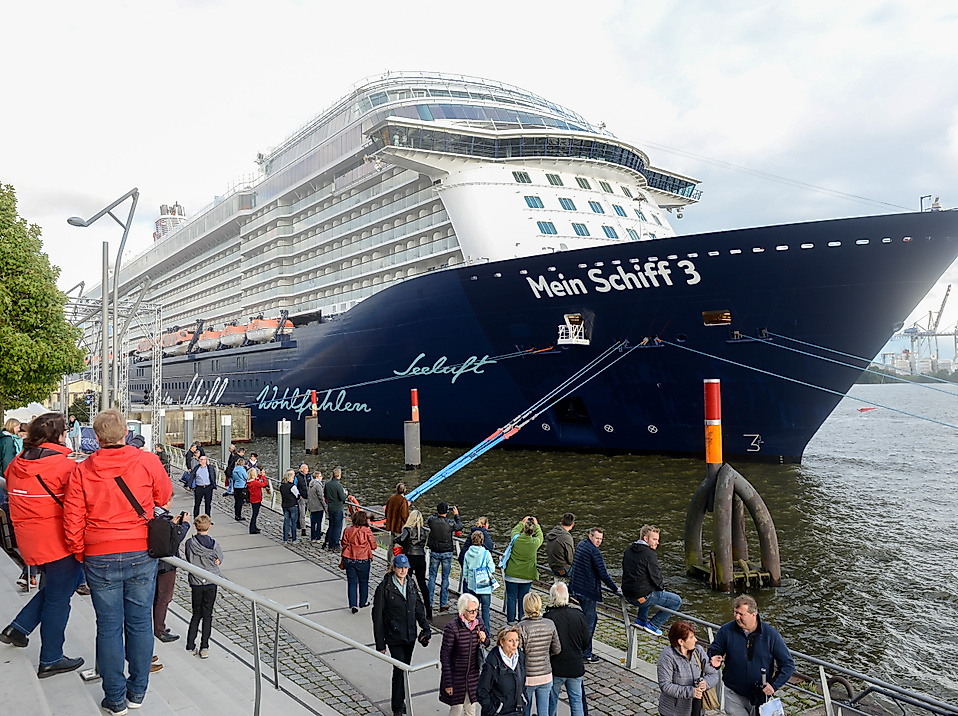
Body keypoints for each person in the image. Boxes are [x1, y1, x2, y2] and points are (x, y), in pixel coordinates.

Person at [63, 408, 173, 715]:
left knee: (108, 626)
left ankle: (114, 697)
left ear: (96, 439)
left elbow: (72, 519)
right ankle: (137, 693)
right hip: (140, 552)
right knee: (139, 624)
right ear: (125, 433)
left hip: (99, 555)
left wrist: (80, 551)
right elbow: (164, 496)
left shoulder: (82, 471)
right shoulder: (148, 461)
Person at [0, 413, 85, 678]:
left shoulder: (16, 464)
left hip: (29, 540)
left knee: (58, 589)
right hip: (60, 541)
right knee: (59, 599)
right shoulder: (65, 468)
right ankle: (51, 657)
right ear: (59, 436)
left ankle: (19, 628)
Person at [707, 595, 795, 716]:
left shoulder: (771, 635)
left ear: (753, 614)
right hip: (733, 692)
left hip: (760, 696)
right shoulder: (726, 631)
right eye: (735, 612)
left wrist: (774, 685)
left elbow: (788, 665)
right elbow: (714, 649)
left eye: (741, 614)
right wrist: (715, 657)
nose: (737, 617)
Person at [373, 553, 431, 716]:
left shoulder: (411, 583)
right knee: (399, 669)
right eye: (401, 567)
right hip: (394, 635)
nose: (404, 570)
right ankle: (397, 705)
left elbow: (419, 607)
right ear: (394, 568)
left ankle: (401, 700)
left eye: (406, 568)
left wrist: (425, 628)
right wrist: (380, 643)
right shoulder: (384, 588)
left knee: (405, 668)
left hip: (410, 634)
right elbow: (377, 616)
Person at [568, 527, 619, 663]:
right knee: (589, 624)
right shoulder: (593, 551)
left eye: (601, 539)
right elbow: (603, 573)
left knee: (590, 620)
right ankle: (586, 654)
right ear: (590, 536)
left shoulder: (581, 545)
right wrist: (615, 588)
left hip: (577, 588)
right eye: (597, 538)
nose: (599, 542)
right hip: (588, 591)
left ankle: (581, 649)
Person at [622, 524, 682, 637]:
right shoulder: (649, 554)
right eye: (654, 539)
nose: (657, 543)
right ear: (645, 538)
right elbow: (656, 576)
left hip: (628, 594)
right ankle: (654, 625)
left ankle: (641, 620)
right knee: (676, 601)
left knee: (647, 589)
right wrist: (661, 589)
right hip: (641, 598)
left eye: (657, 540)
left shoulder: (629, 550)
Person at [543, 582, 589, 716]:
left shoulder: (548, 617)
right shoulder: (579, 615)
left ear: (552, 597)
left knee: (552, 701)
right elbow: (586, 640)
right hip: (575, 664)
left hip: (556, 666)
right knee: (576, 701)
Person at [658, 621, 720, 716]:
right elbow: (665, 685)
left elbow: (713, 674)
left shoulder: (698, 651)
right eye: (691, 637)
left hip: (697, 709)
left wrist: (705, 683)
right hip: (673, 712)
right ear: (681, 642)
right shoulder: (667, 656)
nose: (695, 640)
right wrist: (691, 691)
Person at [440, 593, 488, 716]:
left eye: (476, 610)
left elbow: (486, 644)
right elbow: (445, 657)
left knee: (471, 710)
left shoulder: (479, 623)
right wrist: (448, 683)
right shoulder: (452, 628)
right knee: (456, 710)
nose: (474, 613)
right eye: (471, 611)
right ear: (462, 611)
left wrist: (484, 639)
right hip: (457, 677)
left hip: (473, 676)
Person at [184, 514, 224, 659]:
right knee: (207, 614)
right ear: (210, 526)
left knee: (196, 614)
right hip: (211, 581)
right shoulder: (214, 544)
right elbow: (220, 559)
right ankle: (205, 646)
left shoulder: (190, 543)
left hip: (196, 582)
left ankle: (190, 644)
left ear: (195, 527)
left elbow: (188, 557)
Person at [518, 592, 561, 715]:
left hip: (528, 676)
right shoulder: (549, 624)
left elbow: (519, 653)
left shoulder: (521, 626)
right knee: (544, 711)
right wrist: (545, 656)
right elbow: (557, 649)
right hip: (545, 674)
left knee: (525, 709)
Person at [154, 509, 191, 644]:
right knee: (164, 598)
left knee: (157, 597)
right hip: (166, 565)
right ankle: (159, 630)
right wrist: (185, 524)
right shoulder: (163, 519)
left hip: (156, 563)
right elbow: (175, 538)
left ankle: (157, 626)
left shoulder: (154, 515)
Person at [477, 625, 527, 716]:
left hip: (517, 711)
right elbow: (481, 692)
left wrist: (524, 700)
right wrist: (493, 711)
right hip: (500, 713)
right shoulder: (492, 663)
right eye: (510, 641)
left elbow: (523, 683)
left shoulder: (520, 657)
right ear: (502, 642)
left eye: (516, 640)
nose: (514, 644)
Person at [504, 516, 543, 623]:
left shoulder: (516, 538)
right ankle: (522, 621)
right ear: (532, 531)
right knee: (523, 600)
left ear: (524, 529)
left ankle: (511, 621)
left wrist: (522, 522)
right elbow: (541, 536)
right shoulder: (535, 543)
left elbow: (514, 530)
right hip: (527, 576)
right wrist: (537, 524)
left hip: (511, 574)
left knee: (511, 599)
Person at [427, 501, 463, 613]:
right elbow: (460, 526)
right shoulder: (450, 523)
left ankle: (429, 602)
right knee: (445, 578)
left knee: (432, 577)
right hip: (447, 552)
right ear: (447, 512)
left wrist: (439, 511)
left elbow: (430, 517)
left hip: (434, 552)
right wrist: (456, 514)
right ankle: (443, 604)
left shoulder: (432, 521)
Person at [397, 509, 431, 619]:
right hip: (421, 557)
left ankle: (408, 607)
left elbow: (401, 538)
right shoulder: (422, 531)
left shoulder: (408, 529)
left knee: (406, 582)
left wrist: (396, 540)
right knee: (422, 583)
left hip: (410, 557)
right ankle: (428, 609)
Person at [341, 509, 378, 613]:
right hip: (363, 559)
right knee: (364, 581)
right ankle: (363, 602)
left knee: (352, 582)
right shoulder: (367, 531)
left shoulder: (347, 529)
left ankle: (353, 604)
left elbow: (343, 542)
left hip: (349, 558)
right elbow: (374, 546)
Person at [462, 530, 496, 631]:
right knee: (485, 609)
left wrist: (468, 581)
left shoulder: (468, 553)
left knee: (474, 609)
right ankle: (486, 631)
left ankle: (474, 629)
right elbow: (492, 568)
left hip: (472, 584)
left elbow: (465, 570)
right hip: (484, 584)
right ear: (482, 541)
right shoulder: (486, 553)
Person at [323, 467, 348, 551]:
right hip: (338, 508)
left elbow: (325, 496)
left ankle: (330, 544)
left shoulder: (327, 484)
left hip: (330, 507)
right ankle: (336, 544)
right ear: (339, 475)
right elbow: (342, 497)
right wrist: (345, 494)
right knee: (337, 527)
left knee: (331, 526)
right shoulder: (338, 485)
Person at [545, 513, 575, 579]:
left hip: (553, 567)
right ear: (573, 524)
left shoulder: (552, 533)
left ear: (561, 521)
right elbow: (570, 559)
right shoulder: (567, 537)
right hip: (563, 570)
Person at [189, 453, 216, 518]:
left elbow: (213, 476)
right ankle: (196, 518)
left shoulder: (210, 468)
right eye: (200, 459)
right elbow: (192, 476)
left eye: (201, 460)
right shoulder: (197, 468)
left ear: (205, 460)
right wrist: (190, 485)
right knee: (197, 503)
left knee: (208, 504)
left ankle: (207, 518)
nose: (200, 461)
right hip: (199, 488)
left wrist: (213, 485)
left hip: (208, 487)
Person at [246, 466, 268, 534]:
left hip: (253, 499)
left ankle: (254, 526)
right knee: (255, 514)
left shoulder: (250, 481)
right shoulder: (255, 483)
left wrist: (259, 475)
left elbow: (257, 480)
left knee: (255, 514)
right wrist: (263, 476)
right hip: (257, 499)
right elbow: (264, 484)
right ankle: (252, 528)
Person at [280, 469, 300, 543]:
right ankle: (294, 539)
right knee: (293, 523)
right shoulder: (292, 486)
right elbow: (297, 495)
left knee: (286, 522)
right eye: (292, 478)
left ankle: (285, 538)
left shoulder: (282, 486)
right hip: (293, 505)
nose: (293, 479)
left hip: (285, 505)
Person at [307, 469, 326, 542]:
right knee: (318, 523)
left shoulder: (311, 484)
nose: (322, 477)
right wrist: (325, 506)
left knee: (313, 522)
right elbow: (321, 497)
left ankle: (312, 537)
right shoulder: (318, 485)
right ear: (317, 477)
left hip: (312, 506)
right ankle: (318, 537)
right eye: (320, 476)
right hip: (318, 507)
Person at [229, 456, 249, 521]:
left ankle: (236, 514)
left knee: (236, 501)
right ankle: (239, 515)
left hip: (236, 486)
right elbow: (246, 477)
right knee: (240, 502)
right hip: (242, 486)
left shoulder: (235, 469)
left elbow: (234, 478)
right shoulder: (242, 469)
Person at [295, 463, 311, 537]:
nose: (307, 470)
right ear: (302, 469)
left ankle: (313, 528)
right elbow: (294, 486)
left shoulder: (309, 476)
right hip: (302, 498)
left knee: (312, 513)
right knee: (302, 514)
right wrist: (298, 495)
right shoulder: (297, 477)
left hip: (310, 498)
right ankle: (303, 529)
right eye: (306, 468)